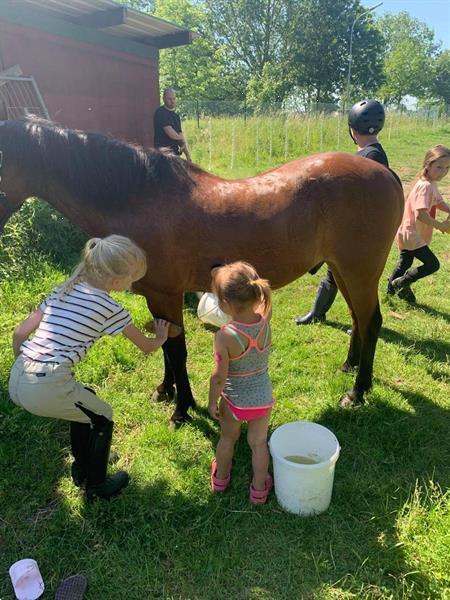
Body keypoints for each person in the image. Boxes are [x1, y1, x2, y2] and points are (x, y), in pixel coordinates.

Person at [8, 235, 169, 502]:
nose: (132, 285)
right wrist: (161, 337)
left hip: (18, 376)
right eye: (131, 280)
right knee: (103, 417)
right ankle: (97, 486)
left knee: (87, 400)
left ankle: (83, 464)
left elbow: (19, 333)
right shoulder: (110, 307)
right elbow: (147, 347)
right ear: (117, 282)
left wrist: (22, 367)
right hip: (46, 385)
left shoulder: (65, 288)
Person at [295, 99, 390, 326]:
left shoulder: (370, 158)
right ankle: (318, 312)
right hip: (352, 225)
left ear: (352, 130)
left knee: (348, 276)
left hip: (357, 228)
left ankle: (358, 321)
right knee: (333, 273)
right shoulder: (373, 153)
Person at [208, 261, 274, 505]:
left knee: (227, 439)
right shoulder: (266, 320)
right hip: (262, 397)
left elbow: (218, 377)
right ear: (257, 294)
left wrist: (212, 402)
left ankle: (221, 478)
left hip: (234, 400)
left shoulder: (224, 335)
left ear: (225, 304)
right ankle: (259, 489)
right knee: (258, 444)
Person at [388, 145, 450, 302]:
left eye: (447, 168)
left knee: (405, 262)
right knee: (432, 264)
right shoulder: (425, 186)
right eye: (439, 167)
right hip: (412, 233)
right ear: (427, 165)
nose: (443, 171)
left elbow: (440, 202)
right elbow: (420, 214)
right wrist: (441, 226)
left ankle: (391, 292)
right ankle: (401, 283)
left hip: (409, 232)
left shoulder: (431, 183)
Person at [153, 88, 191, 161]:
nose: (172, 101)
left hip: (175, 155)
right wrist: (182, 140)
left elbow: (180, 134)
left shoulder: (176, 117)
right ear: (163, 99)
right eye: (169, 99)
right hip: (163, 155)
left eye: (174, 99)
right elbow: (171, 134)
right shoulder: (160, 113)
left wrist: (188, 155)